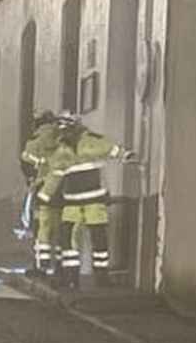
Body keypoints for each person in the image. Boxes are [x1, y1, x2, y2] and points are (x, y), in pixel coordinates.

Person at [38, 117, 132, 289]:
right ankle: (71, 278)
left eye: (67, 129)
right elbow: (54, 176)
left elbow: (112, 148)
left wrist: (126, 155)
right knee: (68, 240)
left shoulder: (91, 142)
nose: (65, 133)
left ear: (76, 128)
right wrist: (43, 196)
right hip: (72, 203)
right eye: (62, 130)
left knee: (98, 239)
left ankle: (101, 278)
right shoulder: (62, 152)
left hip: (93, 202)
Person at [18, 112, 61, 276]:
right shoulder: (62, 140)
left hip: (42, 188)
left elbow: (25, 163)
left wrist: (31, 179)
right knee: (59, 229)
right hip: (61, 190)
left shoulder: (34, 143)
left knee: (40, 227)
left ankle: (40, 266)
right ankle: (59, 268)